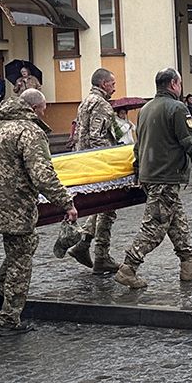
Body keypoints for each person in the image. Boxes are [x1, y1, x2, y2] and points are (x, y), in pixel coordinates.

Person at [0, 90, 78, 336]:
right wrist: (66, 203)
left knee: (25, 245)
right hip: (16, 206)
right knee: (21, 262)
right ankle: (9, 320)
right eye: (43, 109)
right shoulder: (29, 132)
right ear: (35, 108)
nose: (44, 114)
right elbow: (43, 174)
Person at [114, 68, 192, 289]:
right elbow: (190, 140)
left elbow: (139, 145)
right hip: (166, 177)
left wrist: (138, 171)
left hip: (151, 175)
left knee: (178, 223)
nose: (180, 88)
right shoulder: (177, 108)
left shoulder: (145, 109)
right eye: (179, 83)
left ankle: (189, 264)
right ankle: (128, 268)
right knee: (155, 227)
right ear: (173, 84)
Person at [65, 68, 122, 274]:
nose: (114, 87)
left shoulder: (86, 101)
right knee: (108, 207)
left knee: (101, 208)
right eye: (112, 83)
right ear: (103, 83)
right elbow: (97, 137)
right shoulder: (101, 104)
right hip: (98, 163)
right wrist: (109, 162)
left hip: (84, 160)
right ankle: (101, 255)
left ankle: (84, 244)